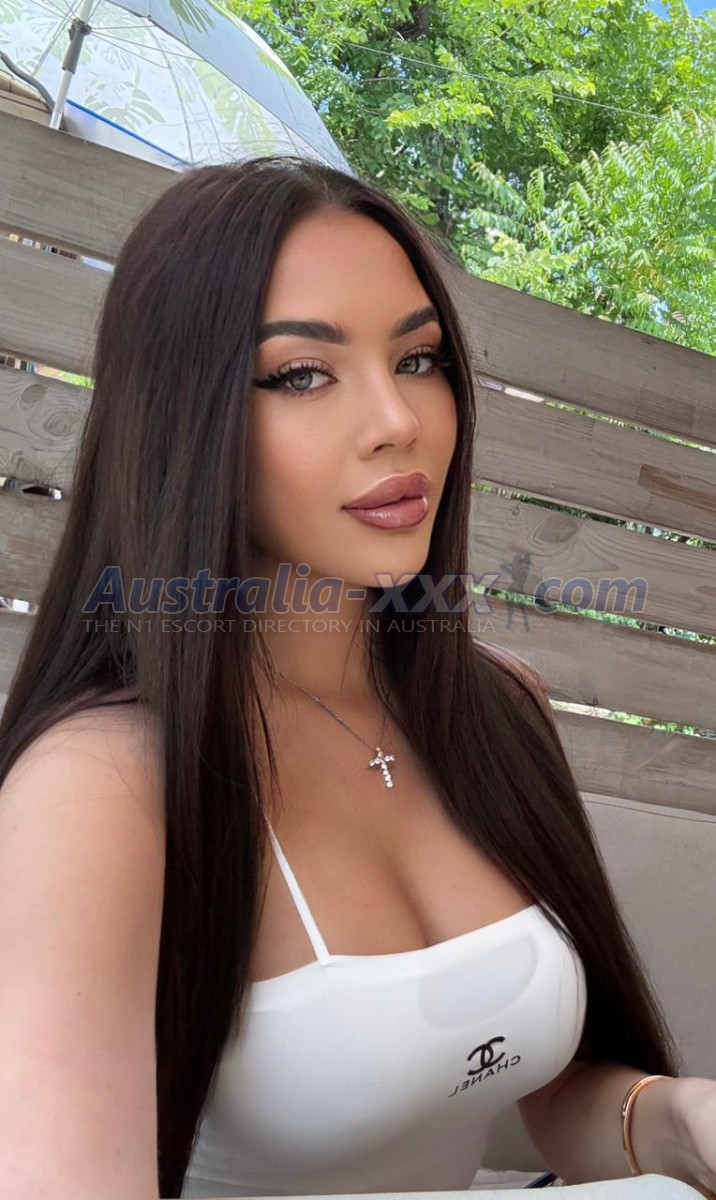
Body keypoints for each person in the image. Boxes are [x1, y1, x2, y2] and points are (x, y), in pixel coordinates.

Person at [0, 155, 714, 1200]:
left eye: (418, 359)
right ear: (182, 415)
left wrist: (681, 1122)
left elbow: (555, 1104)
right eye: (302, 374)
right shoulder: (99, 790)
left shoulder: (498, 710)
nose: (397, 420)